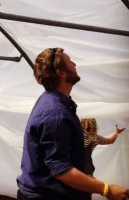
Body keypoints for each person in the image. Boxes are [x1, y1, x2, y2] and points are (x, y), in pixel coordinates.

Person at [17, 47, 129, 200]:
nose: (74, 64)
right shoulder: (56, 114)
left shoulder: (54, 101)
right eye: (69, 61)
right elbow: (61, 170)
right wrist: (106, 189)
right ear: (61, 72)